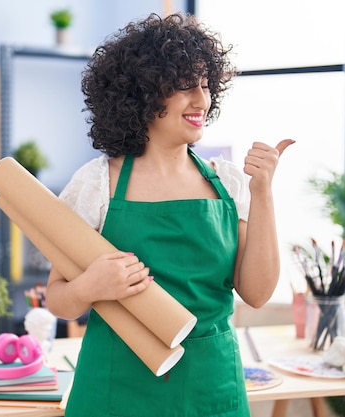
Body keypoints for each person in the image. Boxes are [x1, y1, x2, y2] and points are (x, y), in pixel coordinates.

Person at [46, 12, 294, 417]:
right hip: (116, 386)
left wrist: (262, 193)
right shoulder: (96, 184)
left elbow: (257, 293)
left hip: (210, 385)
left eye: (205, 84)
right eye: (183, 86)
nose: (201, 99)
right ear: (143, 94)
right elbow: (57, 299)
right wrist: (90, 286)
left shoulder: (229, 183)